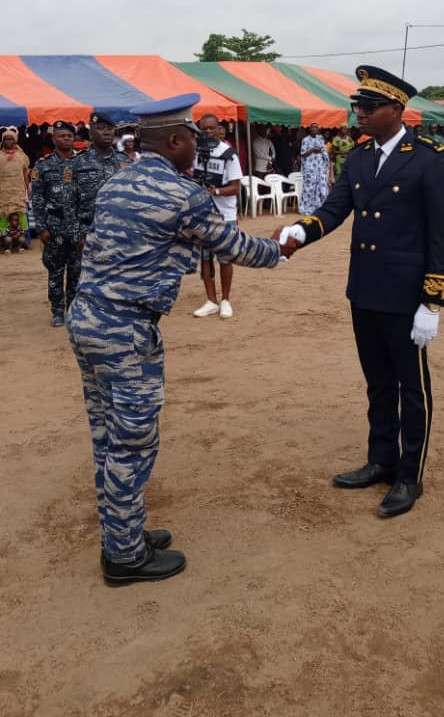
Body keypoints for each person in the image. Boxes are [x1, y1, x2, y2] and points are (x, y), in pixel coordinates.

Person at [66, 94, 296, 586]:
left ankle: (123, 536)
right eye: (193, 137)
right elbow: (234, 247)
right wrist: (281, 247)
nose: (200, 144)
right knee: (133, 443)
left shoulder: (116, 180)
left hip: (87, 319)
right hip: (126, 330)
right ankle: (124, 559)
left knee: (108, 436)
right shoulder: (181, 193)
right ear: (174, 140)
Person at [279, 66, 444, 519]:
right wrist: (300, 230)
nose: (358, 113)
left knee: (412, 388)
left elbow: (442, 236)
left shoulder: (428, 158)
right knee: (378, 383)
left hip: (406, 296)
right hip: (365, 289)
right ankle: (381, 459)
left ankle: (409, 475)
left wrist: (432, 302)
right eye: (356, 106)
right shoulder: (359, 157)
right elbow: (335, 209)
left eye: (368, 107)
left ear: (397, 111)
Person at [192, 112, 243, 319]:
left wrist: (218, 191)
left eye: (211, 128)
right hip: (203, 214)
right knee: (205, 259)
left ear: (219, 129)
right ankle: (211, 300)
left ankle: (226, 300)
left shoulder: (228, 154)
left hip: (225, 215)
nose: (208, 132)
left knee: (225, 258)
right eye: (204, 129)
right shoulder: (196, 153)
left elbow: (236, 187)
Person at [31, 120, 81, 327]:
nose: (66, 139)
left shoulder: (83, 163)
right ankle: (57, 311)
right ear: (54, 139)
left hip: (78, 228)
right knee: (55, 270)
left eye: (69, 136)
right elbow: (37, 199)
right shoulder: (43, 165)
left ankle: (73, 310)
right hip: (54, 227)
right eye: (62, 136)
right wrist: (41, 227)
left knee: (77, 271)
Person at [72, 112, 130, 243]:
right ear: (91, 133)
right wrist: (76, 235)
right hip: (89, 234)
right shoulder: (75, 163)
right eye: (101, 128)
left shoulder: (125, 161)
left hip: (121, 233)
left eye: (110, 128)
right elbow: (68, 202)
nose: (106, 132)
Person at [0, 128, 30, 247]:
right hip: (3, 189)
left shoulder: (21, 156)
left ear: (15, 141)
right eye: (6, 139)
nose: (8, 141)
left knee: (20, 212)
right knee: (3, 212)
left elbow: (25, 173)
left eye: (11, 139)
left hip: (18, 189)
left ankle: (23, 241)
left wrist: (28, 188)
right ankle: (3, 240)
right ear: (3, 141)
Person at [299, 123, 329, 215]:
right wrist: (312, 150)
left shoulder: (321, 139)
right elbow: (303, 154)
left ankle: (319, 207)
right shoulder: (305, 140)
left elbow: (324, 151)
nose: (314, 129)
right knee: (309, 188)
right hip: (310, 169)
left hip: (320, 168)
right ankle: (306, 208)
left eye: (316, 127)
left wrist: (322, 152)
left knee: (321, 187)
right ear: (309, 129)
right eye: (313, 127)